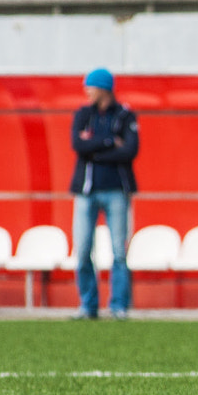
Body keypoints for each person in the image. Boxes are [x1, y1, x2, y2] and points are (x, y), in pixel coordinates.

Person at [69, 67, 139, 320]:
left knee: (119, 251)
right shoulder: (83, 115)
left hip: (116, 192)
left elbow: (130, 150)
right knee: (83, 249)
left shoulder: (125, 115)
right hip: (86, 192)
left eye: (90, 87)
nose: (86, 91)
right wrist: (109, 141)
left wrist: (94, 146)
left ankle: (118, 305)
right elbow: (78, 145)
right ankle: (88, 306)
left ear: (103, 89)